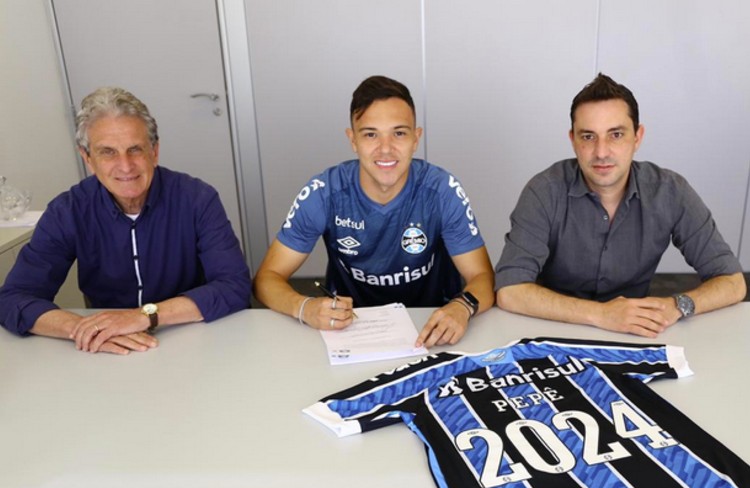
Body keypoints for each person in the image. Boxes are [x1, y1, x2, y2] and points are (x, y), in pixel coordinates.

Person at [0, 87, 252, 354]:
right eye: (108, 152)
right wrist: (88, 329)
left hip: (191, 337)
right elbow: (13, 298)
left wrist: (145, 316)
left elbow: (234, 286)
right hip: (108, 350)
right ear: (88, 158)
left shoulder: (197, 198)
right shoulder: (68, 210)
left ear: (154, 151)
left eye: (135, 149)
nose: (125, 165)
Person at [495, 73, 746, 337]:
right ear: (573, 140)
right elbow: (510, 290)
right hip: (553, 327)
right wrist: (601, 314)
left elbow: (733, 282)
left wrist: (676, 306)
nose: (601, 152)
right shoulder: (544, 191)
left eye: (616, 134)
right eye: (588, 137)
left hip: (633, 333)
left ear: (637, 137)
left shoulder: (670, 191)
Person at [253, 75, 494, 347]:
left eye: (399, 133)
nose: (385, 149)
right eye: (370, 134)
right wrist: (304, 307)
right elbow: (266, 279)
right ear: (352, 140)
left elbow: (482, 278)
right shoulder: (324, 192)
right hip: (349, 329)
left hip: (432, 327)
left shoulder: (442, 190)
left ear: (416, 139)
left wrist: (462, 307)